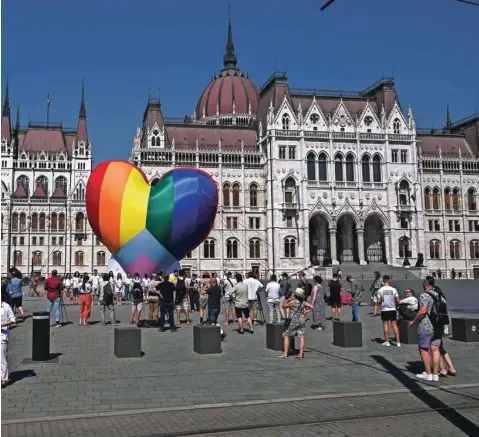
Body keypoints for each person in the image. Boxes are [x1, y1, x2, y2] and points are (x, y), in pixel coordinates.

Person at [409, 276, 448, 382]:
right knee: (435, 349)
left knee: (424, 349)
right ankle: (435, 375)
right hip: (438, 326)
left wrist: (414, 320)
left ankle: (428, 373)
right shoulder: (440, 295)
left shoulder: (424, 295)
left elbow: (423, 311)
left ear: (426, 284)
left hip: (426, 325)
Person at [281, 288, 313, 359]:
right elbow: (312, 307)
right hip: (302, 320)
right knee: (301, 336)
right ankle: (301, 354)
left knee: (286, 335)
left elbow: (284, 306)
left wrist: (288, 300)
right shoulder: (303, 302)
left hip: (294, 321)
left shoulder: (293, 302)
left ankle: (285, 354)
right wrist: (306, 312)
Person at [377, 275, 400, 347]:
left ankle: (387, 341)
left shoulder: (380, 290)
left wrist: (382, 303)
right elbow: (398, 300)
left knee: (385, 325)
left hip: (385, 309)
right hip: (392, 309)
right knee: (394, 325)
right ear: (389, 280)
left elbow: (378, 301)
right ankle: (398, 342)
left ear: (383, 281)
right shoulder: (394, 289)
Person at [1, 292, 16, 388]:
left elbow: (13, 320)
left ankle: (3, 379)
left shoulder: (6, 306)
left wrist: (4, 324)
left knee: (2, 358)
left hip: (2, 336)